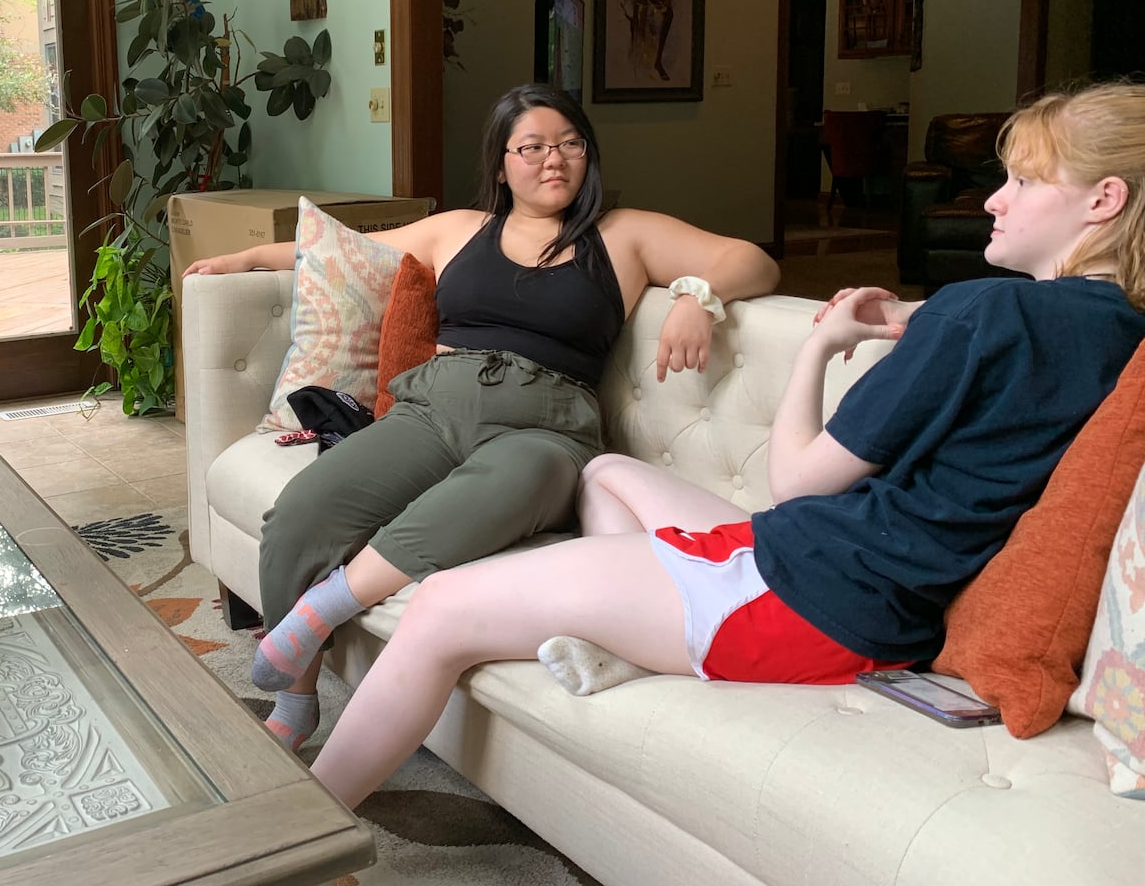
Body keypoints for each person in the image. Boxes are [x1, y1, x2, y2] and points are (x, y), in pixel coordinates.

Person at [302, 82, 1145, 809]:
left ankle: (295, 836)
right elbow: (1016, 366)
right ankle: (633, 633)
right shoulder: (1115, 337)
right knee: (605, 471)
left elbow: (801, 486)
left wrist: (820, 347)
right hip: (872, 589)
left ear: (1103, 200)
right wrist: (916, 324)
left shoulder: (982, 313)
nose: (995, 199)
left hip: (810, 591)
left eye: (1025, 181)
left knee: (445, 607)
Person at [183, 83, 780, 749]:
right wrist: (244, 258)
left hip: (544, 428)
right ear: (501, 164)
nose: (553, 159)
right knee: (301, 512)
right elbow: (348, 252)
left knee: (511, 481)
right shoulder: (461, 228)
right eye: (531, 147)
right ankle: (297, 702)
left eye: (569, 144)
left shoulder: (625, 233)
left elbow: (750, 259)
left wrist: (700, 296)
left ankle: (321, 610)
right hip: (431, 410)